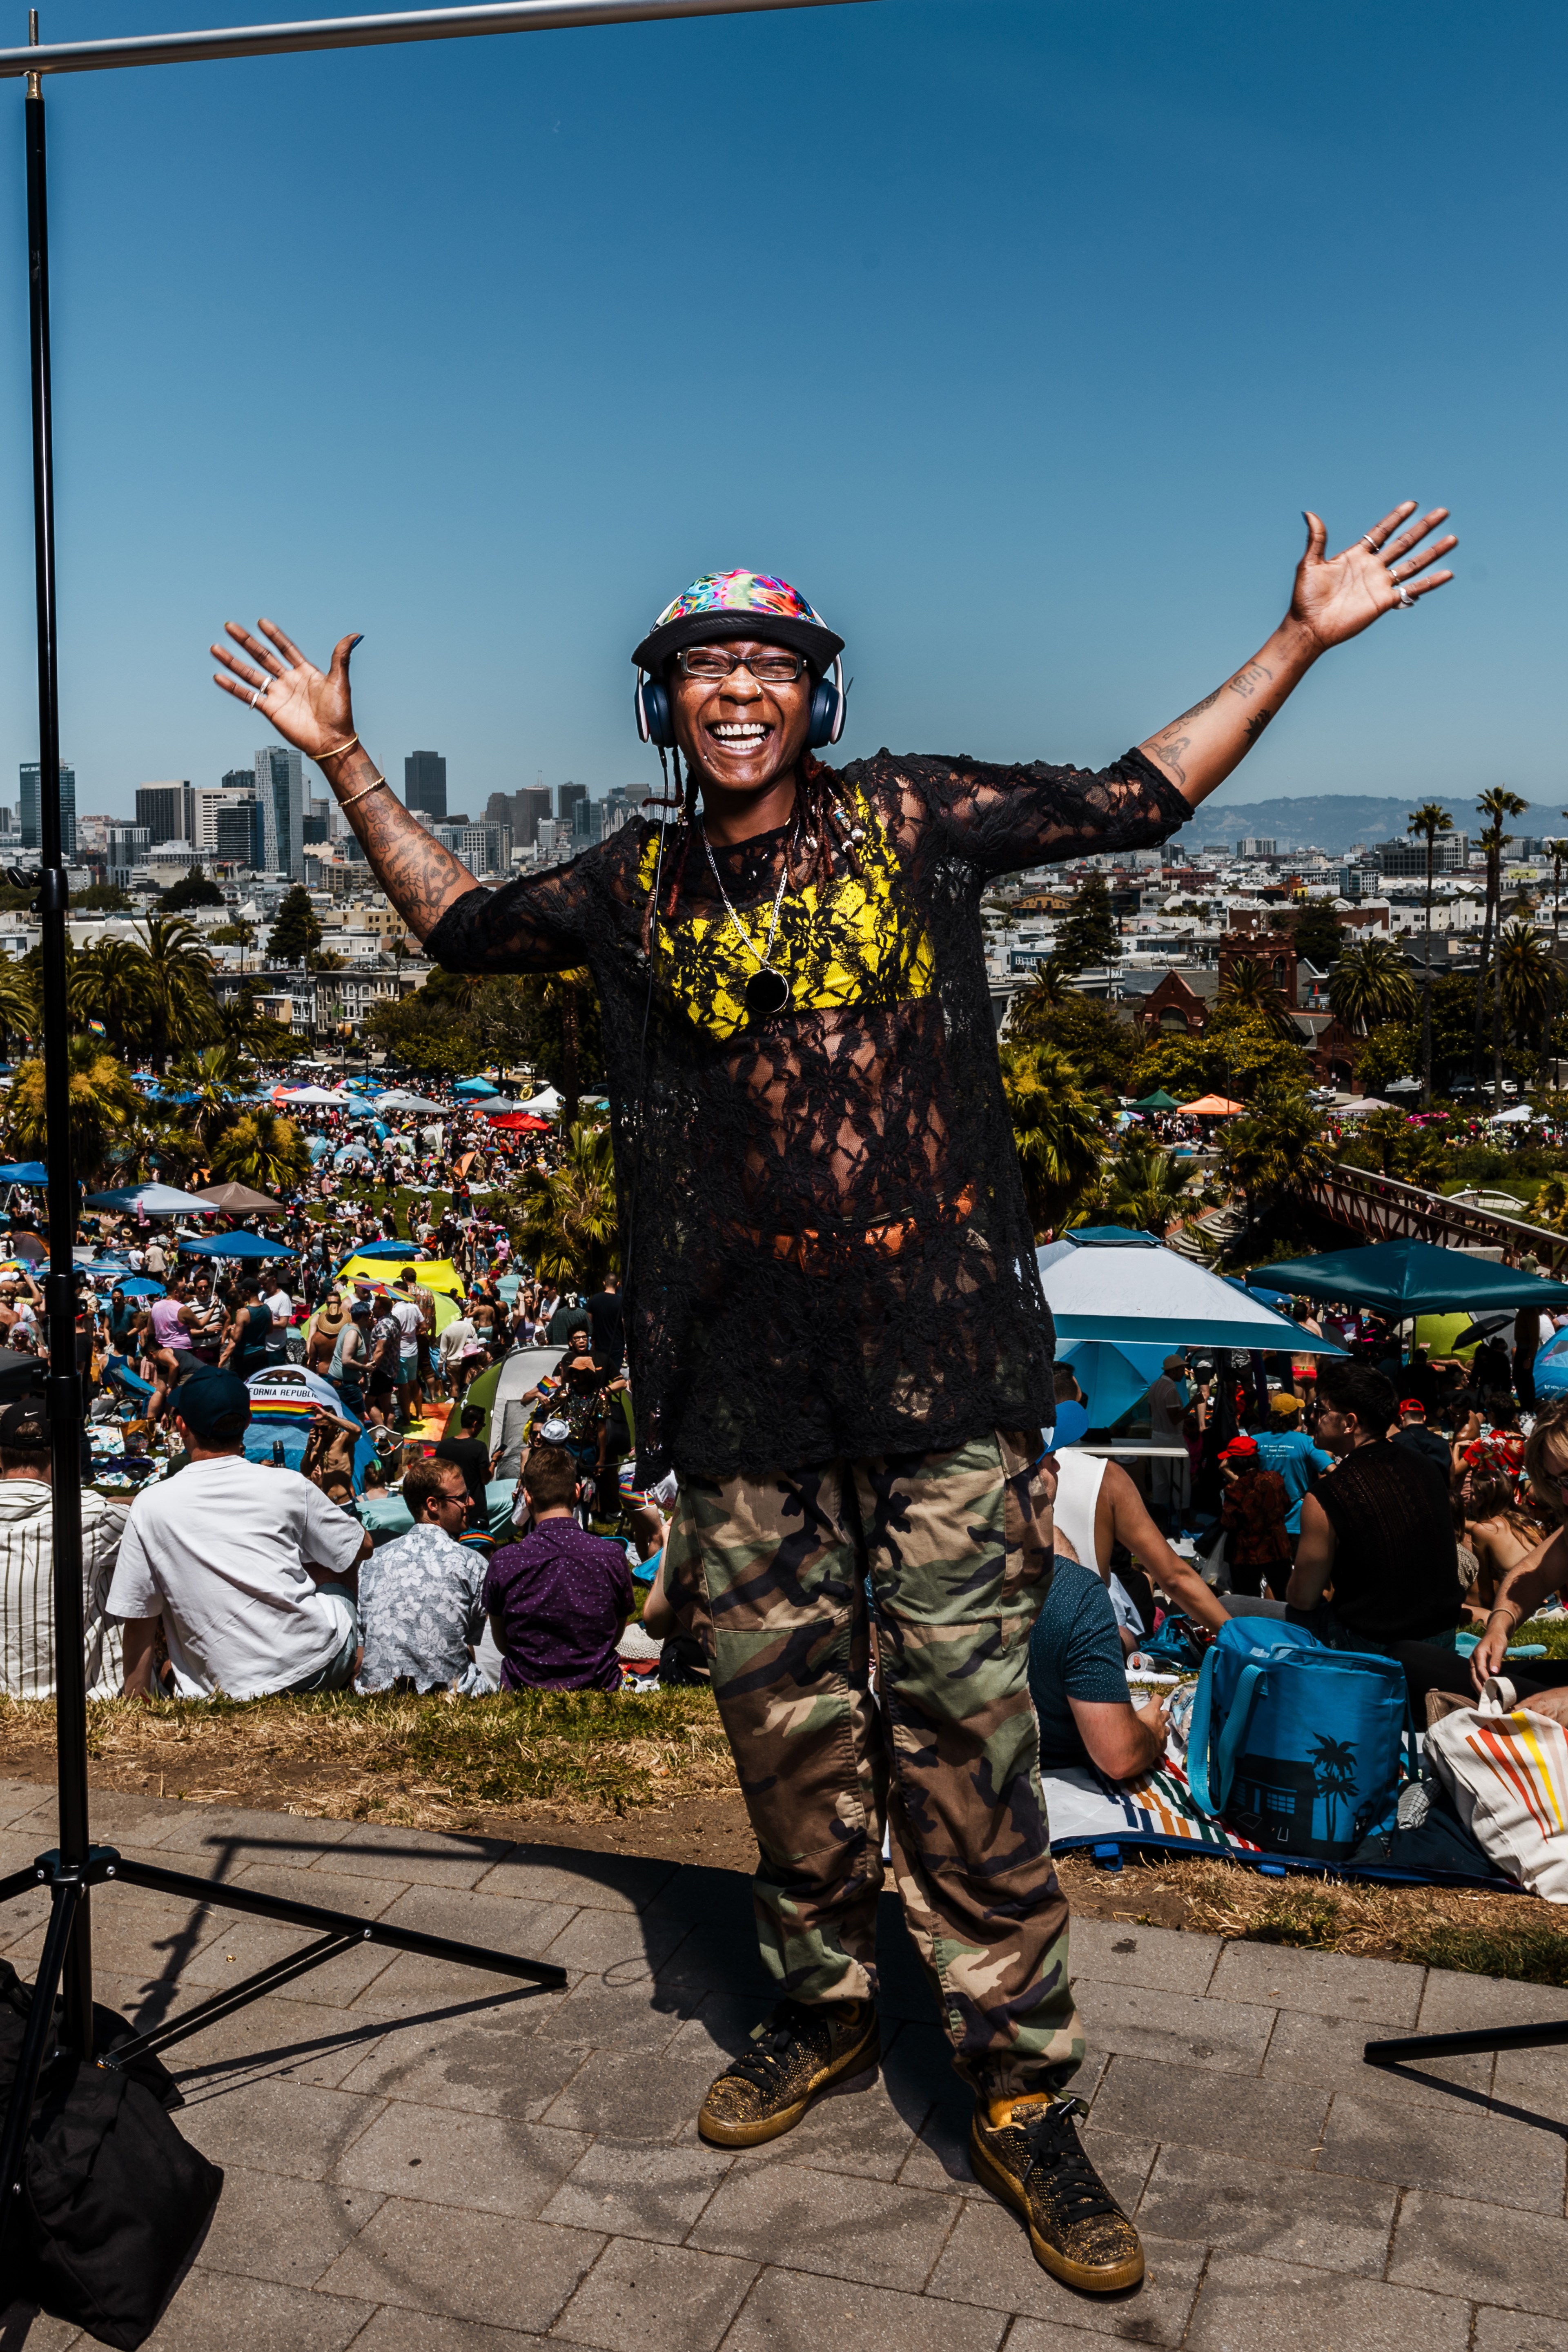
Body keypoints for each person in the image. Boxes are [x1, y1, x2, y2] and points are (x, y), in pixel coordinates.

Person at [218, 494, 1457, 2294]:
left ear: (816, 695)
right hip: (737, 1392)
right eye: (705, 665)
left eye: (768, 663)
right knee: (787, 1734)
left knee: (967, 1740)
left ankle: (1024, 2098)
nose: (737, 687)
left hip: (942, 1376)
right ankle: (819, 2000)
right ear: (667, 706)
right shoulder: (634, 886)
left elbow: (1136, 798)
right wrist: (339, 760)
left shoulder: (916, 815)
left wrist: (1299, 638)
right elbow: (461, 927)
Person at [108, 1367, 370, 1699]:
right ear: (247, 1423)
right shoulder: (288, 1485)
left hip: (220, 1686)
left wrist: (135, 1697)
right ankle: (357, 1666)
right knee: (336, 1560)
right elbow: (363, 1546)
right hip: (314, 1669)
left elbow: (139, 1614)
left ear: (181, 1425)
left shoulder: (149, 1505)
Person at [1287, 1361, 1466, 1652]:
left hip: (1372, 1646)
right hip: (1440, 1640)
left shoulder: (1327, 1494)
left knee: (1236, 1607)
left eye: (1320, 1411)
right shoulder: (1427, 1467)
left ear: (1349, 1423)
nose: (1312, 1419)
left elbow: (1303, 1599)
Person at [0, 1398, 127, 1697]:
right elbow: (151, 1522)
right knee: (115, 1571)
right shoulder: (94, 1514)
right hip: (79, 1697)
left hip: (7, 1702)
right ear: (62, 1454)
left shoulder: (93, 1512)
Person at [482, 1440, 632, 1690]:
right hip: (599, 1688)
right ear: (577, 1492)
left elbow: (502, 1641)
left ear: (527, 1497)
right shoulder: (612, 1555)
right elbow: (616, 1634)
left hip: (525, 1689)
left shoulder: (504, 1561)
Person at [1025, 1543, 1171, 1782]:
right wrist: (1151, 1733)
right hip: (1052, 1780)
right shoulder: (1072, 1589)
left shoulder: (948, 1575)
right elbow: (1120, 1756)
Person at [357, 1457, 487, 1692]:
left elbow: (361, 1643)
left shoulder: (371, 1561)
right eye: (461, 1498)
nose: (471, 1502)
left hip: (377, 1690)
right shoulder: (472, 1563)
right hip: (449, 1692)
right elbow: (470, 1639)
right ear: (433, 1505)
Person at [1252, 1392, 1333, 1546]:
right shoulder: (1306, 1443)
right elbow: (1333, 1471)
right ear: (1293, 1415)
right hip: (1297, 1519)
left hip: (1263, 1517)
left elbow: (1225, 1466)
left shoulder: (1255, 1441)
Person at [1218, 1434, 1292, 1599]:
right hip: (1277, 1548)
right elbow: (1287, 1505)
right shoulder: (1275, 1479)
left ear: (1235, 1462)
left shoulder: (1234, 1489)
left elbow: (1228, 1523)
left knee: (1248, 1601)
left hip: (1246, 1554)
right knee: (1285, 1596)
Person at [1145, 1354, 1190, 1530]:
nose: (1184, 1373)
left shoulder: (1155, 1386)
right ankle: (1184, 1519)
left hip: (1157, 1436)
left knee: (1160, 1480)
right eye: (1182, 1369)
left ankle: (1160, 1518)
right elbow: (1175, 1418)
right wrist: (1192, 1404)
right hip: (1172, 1438)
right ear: (1175, 1371)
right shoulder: (1170, 1390)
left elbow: (1151, 1412)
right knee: (1181, 1479)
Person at [435, 1403, 492, 1525]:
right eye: (483, 1425)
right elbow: (485, 1479)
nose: (482, 1428)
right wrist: (495, 1462)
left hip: (449, 1507)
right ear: (476, 1424)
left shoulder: (443, 1446)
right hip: (474, 1509)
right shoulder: (479, 1447)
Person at [1392, 1396, 1451, 1478]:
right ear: (1424, 1418)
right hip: (1439, 1490)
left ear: (1402, 1418)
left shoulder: (1394, 1442)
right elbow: (1451, 1478)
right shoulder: (1444, 1443)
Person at [585, 1273, 624, 1371]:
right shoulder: (621, 1301)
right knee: (615, 1373)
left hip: (600, 1345)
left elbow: (589, 1321)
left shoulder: (595, 1299)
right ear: (618, 1284)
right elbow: (624, 1324)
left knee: (601, 1373)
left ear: (604, 1283)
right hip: (617, 1345)